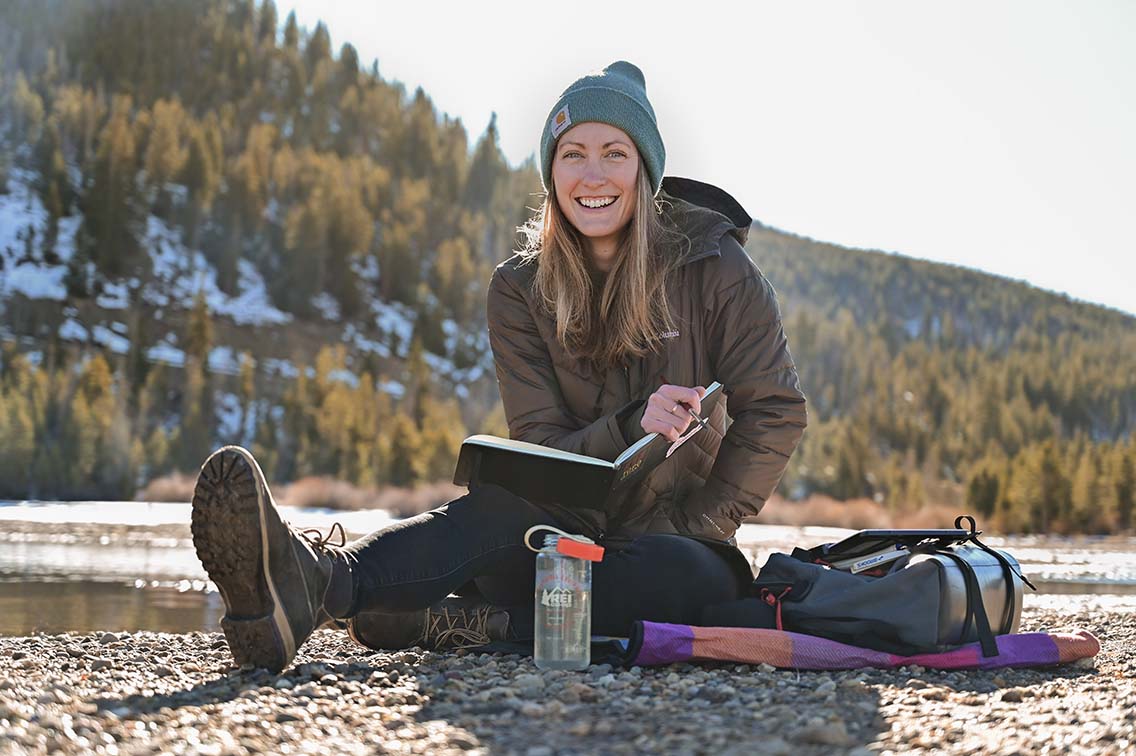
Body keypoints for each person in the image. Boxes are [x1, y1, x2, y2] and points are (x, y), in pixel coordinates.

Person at [190, 61, 808, 674]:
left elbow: (775, 411)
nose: (593, 175)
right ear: (551, 171)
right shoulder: (520, 287)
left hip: (678, 542)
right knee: (492, 509)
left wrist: (700, 520)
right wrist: (629, 428)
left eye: (615, 153)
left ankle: (463, 623)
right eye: (573, 154)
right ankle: (312, 585)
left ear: (643, 169)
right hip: (559, 535)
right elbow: (540, 448)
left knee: (676, 582)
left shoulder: (716, 268)